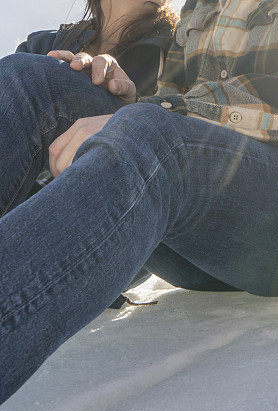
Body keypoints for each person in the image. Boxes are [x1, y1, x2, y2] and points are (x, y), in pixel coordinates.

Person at [0, 0, 278, 406]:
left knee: (154, 135)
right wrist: (127, 98)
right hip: (204, 228)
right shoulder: (201, 7)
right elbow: (169, 103)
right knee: (35, 78)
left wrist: (153, 113)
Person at [17, 0, 177, 306]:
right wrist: (56, 79)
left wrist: (122, 106)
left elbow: (183, 130)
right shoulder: (40, 45)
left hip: (106, 218)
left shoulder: (180, 48)